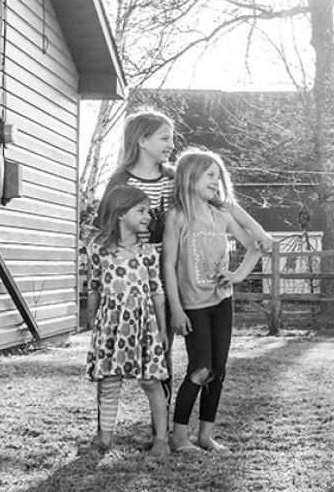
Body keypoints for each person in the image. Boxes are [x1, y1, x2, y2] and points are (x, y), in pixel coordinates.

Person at [102, 109, 273, 404]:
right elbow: (106, 230)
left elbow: (213, 205)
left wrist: (254, 230)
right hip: (132, 279)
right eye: (165, 137)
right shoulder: (119, 181)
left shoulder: (173, 178)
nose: (171, 144)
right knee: (123, 350)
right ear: (142, 140)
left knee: (163, 352)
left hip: (171, 281)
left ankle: (164, 426)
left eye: (172, 138)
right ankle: (108, 424)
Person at [163, 149, 264, 453]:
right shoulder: (177, 217)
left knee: (217, 372)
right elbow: (168, 264)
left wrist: (236, 276)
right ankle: (179, 438)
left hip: (221, 301)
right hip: (193, 304)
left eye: (218, 177)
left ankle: (204, 436)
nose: (215, 181)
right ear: (190, 176)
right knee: (199, 369)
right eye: (209, 175)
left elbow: (255, 246)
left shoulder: (221, 214)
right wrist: (176, 309)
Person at [85, 185, 170, 455]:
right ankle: (105, 438)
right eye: (141, 210)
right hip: (111, 324)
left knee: (151, 381)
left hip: (144, 324)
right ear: (121, 214)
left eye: (148, 211)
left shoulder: (148, 253)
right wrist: (92, 322)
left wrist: (163, 330)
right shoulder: (99, 249)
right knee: (109, 381)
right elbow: (95, 287)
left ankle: (161, 439)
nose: (147, 216)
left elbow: (157, 291)